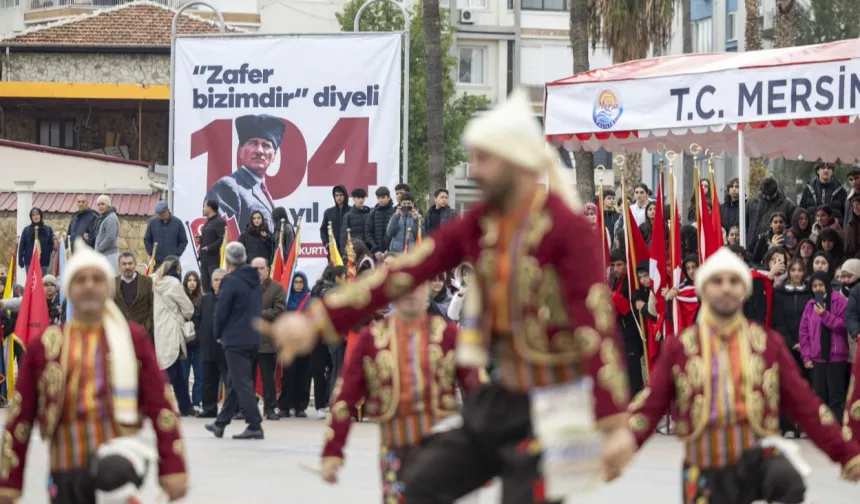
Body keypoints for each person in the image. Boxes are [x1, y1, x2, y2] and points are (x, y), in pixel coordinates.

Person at [260, 89, 636, 503]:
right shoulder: (479, 224)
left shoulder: (567, 231)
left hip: (557, 408)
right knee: (416, 491)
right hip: (500, 401)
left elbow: (594, 325)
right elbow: (403, 272)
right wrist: (316, 320)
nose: (473, 170)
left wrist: (614, 421)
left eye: (483, 159)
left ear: (516, 162)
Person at [626, 248, 860, 503]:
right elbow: (650, 405)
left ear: (744, 290)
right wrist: (617, 445)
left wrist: (846, 454)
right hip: (704, 463)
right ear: (704, 289)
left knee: (788, 480)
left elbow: (806, 405)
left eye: (734, 280)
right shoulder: (681, 347)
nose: (726, 288)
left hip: (755, 461)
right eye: (717, 281)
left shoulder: (767, 344)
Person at [0, 239, 187, 503]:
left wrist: (173, 466)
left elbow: (162, 405)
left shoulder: (132, 339)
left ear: (108, 288)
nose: (89, 285)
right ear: (69, 289)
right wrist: (8, 481)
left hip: (119, 471)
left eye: (97, 279)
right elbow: (20, 418)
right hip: (64, 471)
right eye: (80, 280)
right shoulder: (46, 345)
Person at [318, 283, 484, 499]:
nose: (410, 294)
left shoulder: (447, 335)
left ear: (426, 292)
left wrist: (484, 450)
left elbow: (477, 391)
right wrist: (333, 451)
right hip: (395, 448)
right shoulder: (372, 339)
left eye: (416, 286)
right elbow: (344, 396)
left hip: (442, 448)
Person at [206, 242, 264, 440]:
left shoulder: (230, 281)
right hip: (253, 337)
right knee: (233, 381)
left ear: (229, 260)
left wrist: (218, 332)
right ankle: (221, 423)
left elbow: (221, 311)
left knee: (241, 382)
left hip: (235, 338)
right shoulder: (254, 279)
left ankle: (254, 424)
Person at [204, 114, 285, 231]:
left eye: (266, 145)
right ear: (241, 151)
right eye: (253, 143)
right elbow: (223, 239)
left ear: (274, 156)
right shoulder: (228, 186)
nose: (259, 151)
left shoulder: (263, 192)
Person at [800, 271, 851, 423]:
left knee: (836, 396)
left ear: (827, 285)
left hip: (836, 356)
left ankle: (837, 430)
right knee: (819, 396)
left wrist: (825, 315)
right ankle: (823, 430)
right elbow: (804, 333)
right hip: (818, 357)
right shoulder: (810, 305)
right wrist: (806, 355)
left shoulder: (839, 301)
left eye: (821, 285)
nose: (818, 289)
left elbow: (844, 325)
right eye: (815, 286)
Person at [772, 257, 813, 436]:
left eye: (800, 270)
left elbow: (813, 319)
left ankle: (804, 426)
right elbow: (777, 320)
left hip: (808, 347)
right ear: (788, 271)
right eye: (793, 270)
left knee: (807, 387)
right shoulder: (780, 293)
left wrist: (804, 342)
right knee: (787, 387)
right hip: (788, 346)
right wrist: (791, 342)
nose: (796, 274)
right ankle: (787, 425)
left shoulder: (810, 292)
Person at [153, 257, 195, 417]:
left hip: (159, 330)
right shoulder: (174, 284)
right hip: (173, 331)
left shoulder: (154, 281)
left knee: (175, 371)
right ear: (177, 268)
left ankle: (185, 405)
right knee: (170, 371)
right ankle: (157, 403)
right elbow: (188, 309)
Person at [253, 257, 286, 421]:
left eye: (261, 268)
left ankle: (270, 408)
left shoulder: (276, 288)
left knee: (267, 378)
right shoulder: (245, 287)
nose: (258, 271)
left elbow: (279, 311)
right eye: (255, 268)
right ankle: (245, 408)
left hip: (266, 340)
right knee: (246, 378)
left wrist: (259, 314)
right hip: (247, 341)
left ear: (267, 269)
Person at [278, 272, 311, 418]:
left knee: (303, 375)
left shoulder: (309, 300)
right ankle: (285, 406)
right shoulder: (287, 299)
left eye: (301, 282)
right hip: (288, 341)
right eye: (296, 282)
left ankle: (300, 406)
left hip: (304, 341)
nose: (298, 285)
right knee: (288, 375)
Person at [195, 268, 227, 419]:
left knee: (230, 380)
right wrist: (201, 336)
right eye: (216, 280)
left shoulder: (233, 298)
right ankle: (209, 408)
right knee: (208, 380)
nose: (219, 283)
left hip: (227, 349)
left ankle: (234, 409)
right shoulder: (205, 299)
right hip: (208, 347)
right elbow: (197, 319)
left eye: (222, 280)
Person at [745, 177, 796, 249]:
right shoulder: (752, 202)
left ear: (776, 191)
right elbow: (744, 224)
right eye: (766, 196)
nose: (768, 198)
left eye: (771, 196)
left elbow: (793, 228)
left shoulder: (787, 204)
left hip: (777, 247)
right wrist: (748, 239)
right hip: (752, 245)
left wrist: (783, 241)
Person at [113, 251, 154, 339]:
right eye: (124, 264)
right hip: (120, 334)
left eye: (130, 263)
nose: (127, 267)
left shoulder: (147, 282)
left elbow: (153, 306)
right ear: (119, 267)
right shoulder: (113, 283)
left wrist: (146, 327)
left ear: (135, 265)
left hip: (143, 334)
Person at [144, 201, 188, 271]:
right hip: (156, 263)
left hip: (172, 263)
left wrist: (176, 253)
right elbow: (147, 239)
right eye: (159, 214)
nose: (162, 215)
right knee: (156, 282)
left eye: (163, 213)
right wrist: (151, 252)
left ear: (167, 210)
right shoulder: (153, 223)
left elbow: (183, 241)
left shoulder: (177, 223)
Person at [800, 160, 847, 225]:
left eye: (829, 168)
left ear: (832, 171)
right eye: (823, 167)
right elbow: (801, 211)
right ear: (818, 170)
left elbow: (846, 214)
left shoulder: (840, 190)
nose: (826, 170)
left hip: (834, 231)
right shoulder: (808, 189)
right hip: (813, 230)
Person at [182, 272, 203, 412]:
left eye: (194, 280)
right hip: (183, 341)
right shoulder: (181, 299)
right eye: (189, 280)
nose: (192, 283)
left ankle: (196, 402)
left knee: (199, 374)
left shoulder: (203, 299)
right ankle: (184, 404)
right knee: (183, 375)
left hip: (199, 342)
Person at [197, 200, 226, 293]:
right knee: (205, 286)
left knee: (215, 286)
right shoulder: (208, 221)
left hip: (213, 260)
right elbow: (210, 238)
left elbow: (222, 239)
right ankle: (207, 305)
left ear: (209, 208)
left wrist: (209, 247)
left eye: (204, 206)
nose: (203, 209)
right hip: (204, 259)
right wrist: (200, 239)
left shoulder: (219, 221)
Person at [18, 207, 54, 275]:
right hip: (30, 261)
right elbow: (22, 246)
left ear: (40, 215)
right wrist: (20, 259)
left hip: (44, 262)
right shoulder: (26, 230)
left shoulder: (48, 230)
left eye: (37, 214)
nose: (35, 216)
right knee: (32, 283)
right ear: (31, 217)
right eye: (33, 215)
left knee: (43, 282)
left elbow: (51, 245)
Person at [364, 186, 396, 259]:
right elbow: (368, 233)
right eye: (378, 198)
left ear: (389, 197)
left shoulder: (395, 212)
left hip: (391, 253)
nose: (381, 200)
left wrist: (388, 249)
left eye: (383, 197)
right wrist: (375, 249)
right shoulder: (373, 213)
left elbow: (395, 233)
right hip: (376, 254)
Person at [93, 195, 120, 272]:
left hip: (109, 255)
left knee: (111, 278)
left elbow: (110, 237)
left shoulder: (110, 218)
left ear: (108, 205)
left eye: (102, 204)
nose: (100, 206)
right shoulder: (104, 217)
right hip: (105, 254)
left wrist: (99, 249)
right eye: (98, 204)